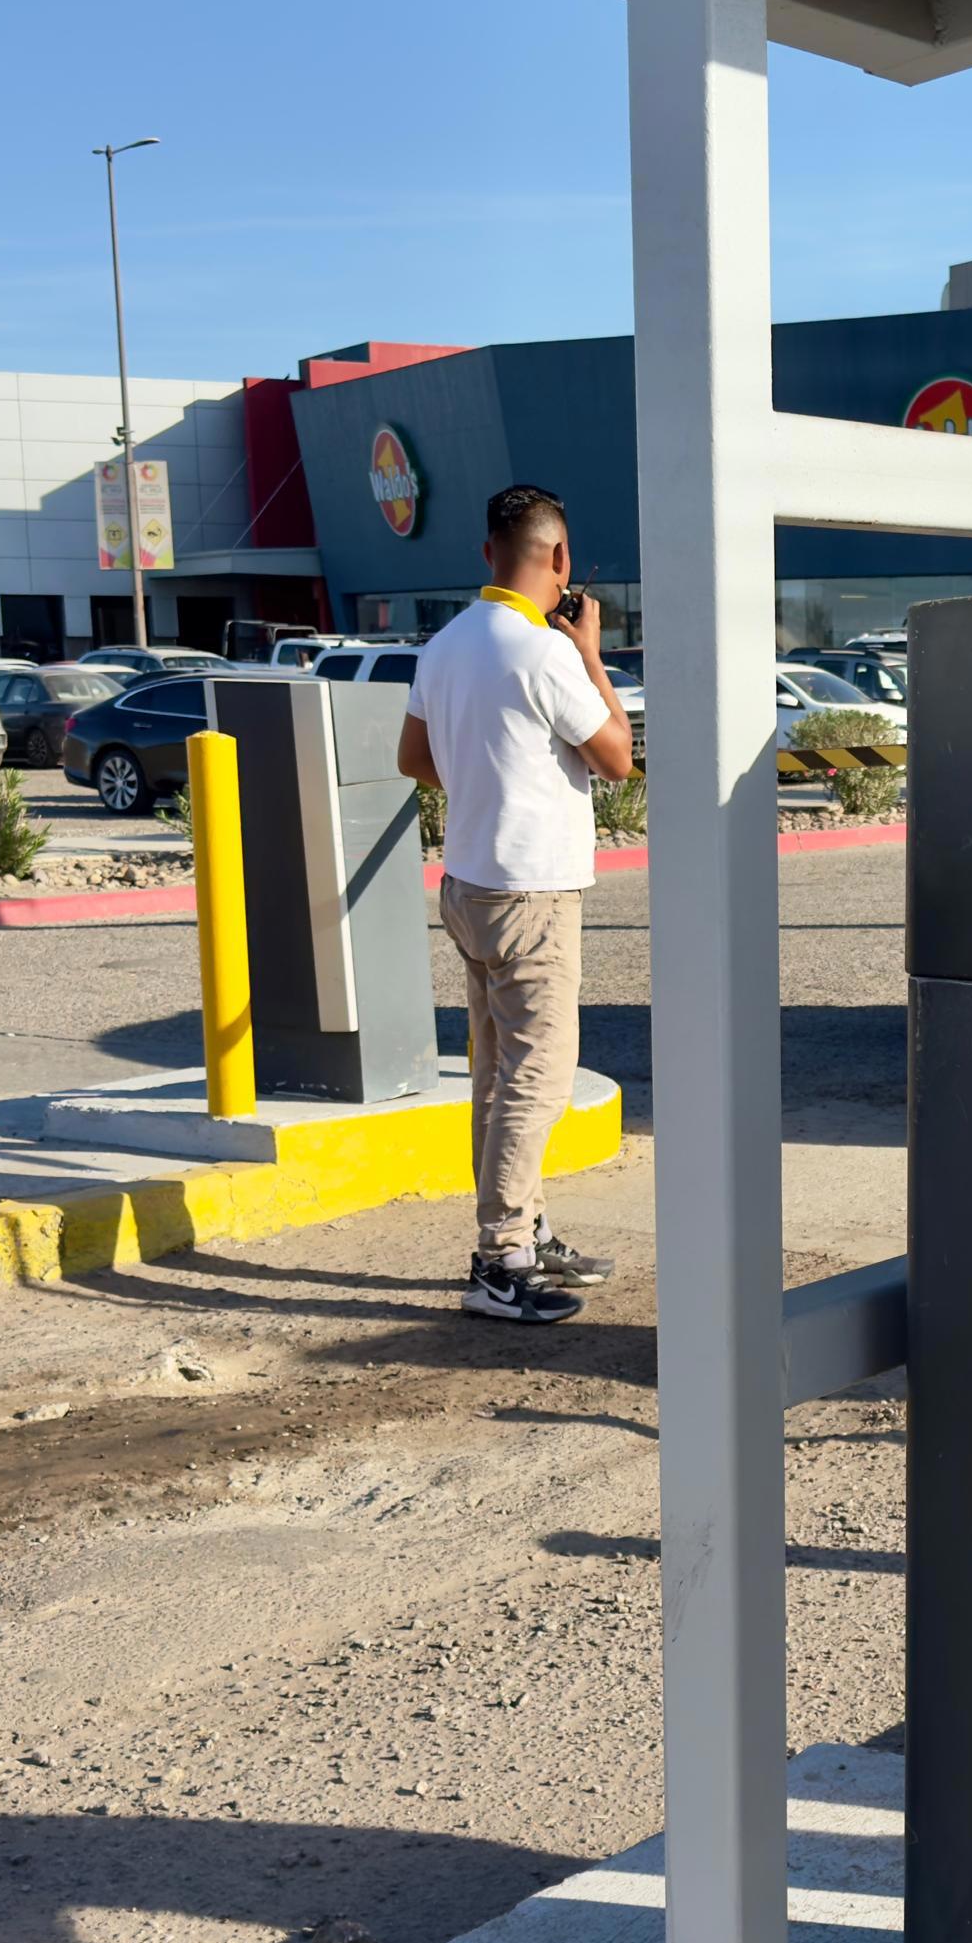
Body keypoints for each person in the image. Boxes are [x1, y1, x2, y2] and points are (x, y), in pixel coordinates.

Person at [397, 482, 639, 1325]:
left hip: (469, 885)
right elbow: (617, 758)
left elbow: (413, 758)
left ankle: (526, 1234)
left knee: (496, 1075)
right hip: (530, 890)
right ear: (561, 560)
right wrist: (594, 654)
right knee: (537, 1077)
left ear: (488, 554)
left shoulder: (447, 643)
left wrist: (487, 777)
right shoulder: (545, 653)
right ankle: (501, 1259)